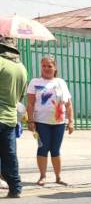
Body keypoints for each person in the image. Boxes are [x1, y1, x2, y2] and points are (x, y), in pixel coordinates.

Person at [26, 56, 74, 186]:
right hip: (41, 122)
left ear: (55, 68)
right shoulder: (35, 82)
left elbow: (68, 104)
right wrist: (30, 121)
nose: (47, 68)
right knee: (43, 148)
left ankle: (58, 177)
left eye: (50, 66)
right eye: (44, 66)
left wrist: (71, 121)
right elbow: (30, 104)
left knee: (55, 149)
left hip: (59, 122)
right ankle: (42, 176)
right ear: (41, 67)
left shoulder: (61, 82)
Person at [0, 36, 27, 198]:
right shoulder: (22, 68)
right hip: (10, 118)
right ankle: (15, 187)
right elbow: (20, 97)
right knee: (9, 156)